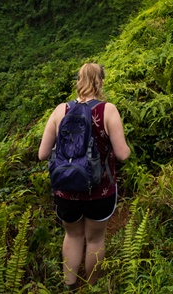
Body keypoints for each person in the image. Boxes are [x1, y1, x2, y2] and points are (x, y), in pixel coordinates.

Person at [38, 63, 131, 289]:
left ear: (79, 80)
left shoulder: (61, 110)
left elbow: (42, 154)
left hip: (66, 190)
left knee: (73, 236)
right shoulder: (108, 110)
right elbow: (122, 154)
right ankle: (92, 286)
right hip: (100, 192)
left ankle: (68, 286)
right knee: (95, 239)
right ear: (101, 81)